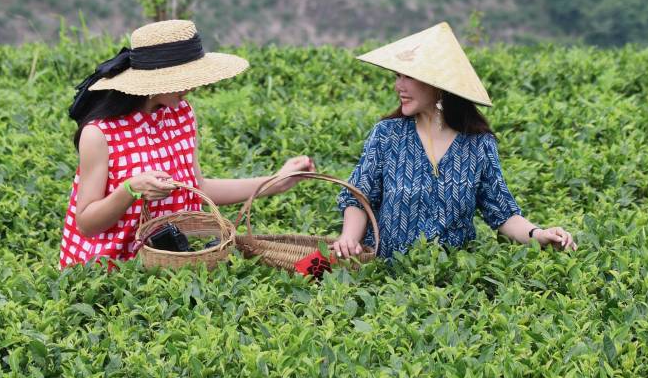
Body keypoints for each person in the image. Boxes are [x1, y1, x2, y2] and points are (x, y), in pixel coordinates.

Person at [60, 19, 314, 268]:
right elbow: (87, 223)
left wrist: (275, 182)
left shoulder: (181, 113)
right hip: (110, 270)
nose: (192, 86)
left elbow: (198, 187)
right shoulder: (99, 133)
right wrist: (130, 190)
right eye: (183, 78)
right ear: (154, 79)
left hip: (171, 263)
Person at [331, 22, 577, 262]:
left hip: (450, 281)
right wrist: (349, 239)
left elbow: (503, 215)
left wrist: (539, 234)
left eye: (408, 77)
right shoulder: (387, 134)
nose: (398, 86)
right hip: (387, 277)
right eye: (397, 76)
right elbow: (358, 195)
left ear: (438, 84)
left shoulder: (478, 144)